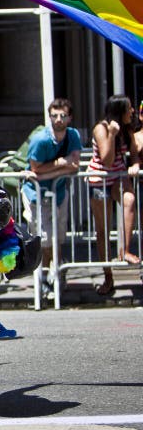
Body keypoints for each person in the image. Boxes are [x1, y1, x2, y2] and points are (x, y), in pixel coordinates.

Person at [20, 98, 82, 296]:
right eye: (54, 115)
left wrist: (47, 173)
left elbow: (74, 166)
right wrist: (60, 164)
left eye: (62, 115)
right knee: (44, 238)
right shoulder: (40, 139)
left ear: (69, 117)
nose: (58, 119)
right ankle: (45, 278)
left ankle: (56, 274)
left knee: (59, 237)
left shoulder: (73, 136)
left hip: (59, 191)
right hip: (35, 193)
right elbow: (35, 168)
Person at [86, 94, 140, 296]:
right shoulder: (101, 128)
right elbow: (107, 160)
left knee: (130, 199)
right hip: (99, 178)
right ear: (119, 111)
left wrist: (134, 164)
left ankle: (124, 250)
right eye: (129, 108)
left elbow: (133, 153)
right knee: (103, 231)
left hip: (117, 175)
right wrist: (111, 135)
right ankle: (108, 277)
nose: (132, 111)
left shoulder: (127, 128)